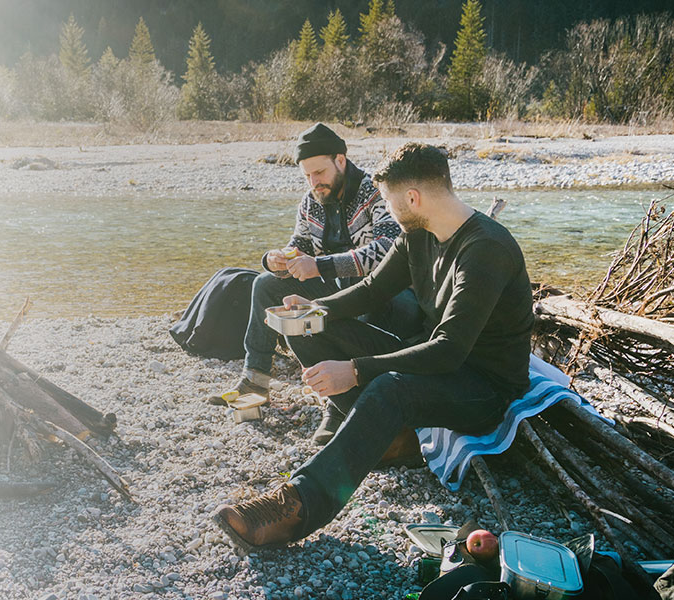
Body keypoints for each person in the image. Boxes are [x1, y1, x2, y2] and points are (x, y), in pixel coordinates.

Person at [212, 143, 535, 551]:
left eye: (387, 200)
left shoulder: (485, 249)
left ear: (412, 198)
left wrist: (357, 369)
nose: (387, 209)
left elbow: (450, 349)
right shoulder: (418, 235)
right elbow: (370, 290)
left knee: (389, 387)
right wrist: (314, 308)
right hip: (437, 366)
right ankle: (394, 439)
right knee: (306, 327)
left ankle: (297, 507)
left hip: (482, 388)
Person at [209, 123, 406, 446]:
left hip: (380, 295)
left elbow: (387, 250)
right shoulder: (311, 201)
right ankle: (255, 383)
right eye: (307, 176)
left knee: (313, 320)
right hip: (335, 290)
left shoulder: (375, 192)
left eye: (319, 172)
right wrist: (277, 260)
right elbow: (299, 245)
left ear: (340, 160)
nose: (314, 182)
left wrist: (320, 266)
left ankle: (338, 403)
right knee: (266, 285)